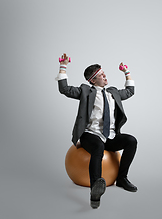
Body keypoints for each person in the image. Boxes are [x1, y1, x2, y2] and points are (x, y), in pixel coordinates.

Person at [55, 53, 138, 209]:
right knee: (98, 147)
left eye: (104, 73)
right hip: (90, 135)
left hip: (110, 136)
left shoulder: (113, 92)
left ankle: (122, 178)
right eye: (101, 75)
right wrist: (63, 66)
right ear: (93, 80)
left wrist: (126, 72)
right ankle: (95, 189)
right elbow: (64, 89)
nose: (105, 76)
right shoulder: (86, 91)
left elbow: (130, 91)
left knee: (131, 141)